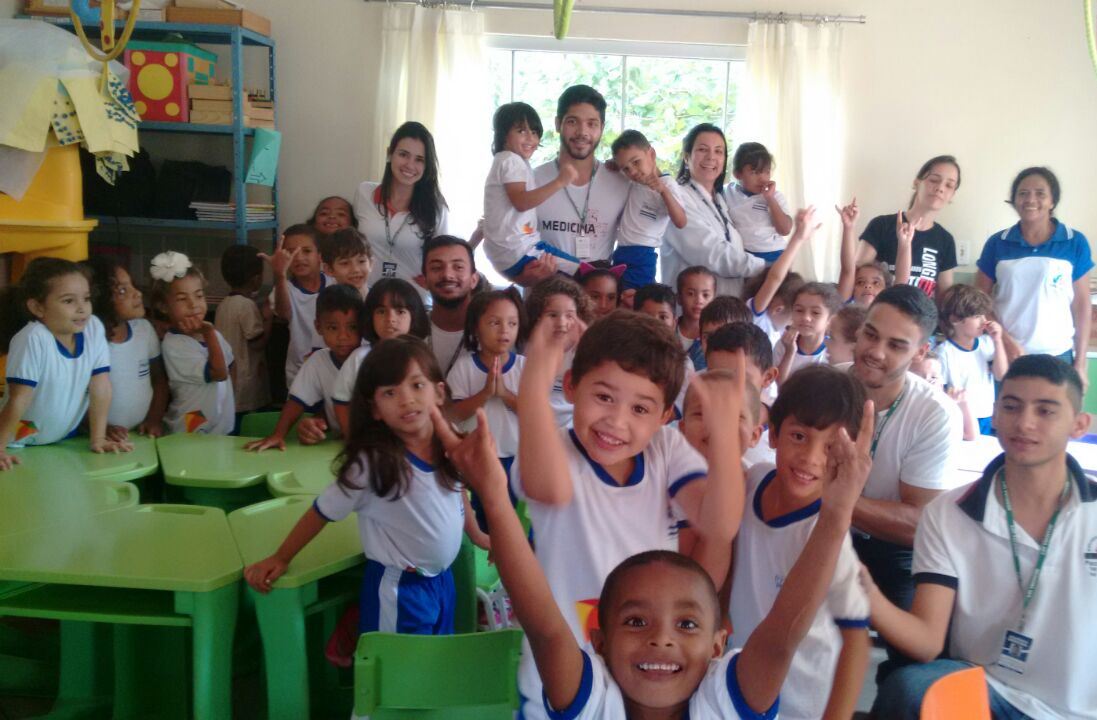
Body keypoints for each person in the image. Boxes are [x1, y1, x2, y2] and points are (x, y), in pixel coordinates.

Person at [439, 373, 874, 720]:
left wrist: (835, 516)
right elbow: (547, 628)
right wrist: (494, 498)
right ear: (599, 641)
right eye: (634, 621)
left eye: (687, 625)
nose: (661, 639)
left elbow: (781, 636)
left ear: (719, 645)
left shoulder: (723, 704)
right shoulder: (594, 704)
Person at [510, 309, 746, 720]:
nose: (616, 422)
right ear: (570, 386)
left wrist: (724, 435)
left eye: (640, 409)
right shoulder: (547, 448)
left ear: (664, 417)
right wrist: (534, 379)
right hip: (565, 671)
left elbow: (718, 524)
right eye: (603, 397)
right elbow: (552, 489)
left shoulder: (665, 451)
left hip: (645, 668)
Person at [869, 355, 1096, 720]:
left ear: (1078, 424)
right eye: (1011, 406)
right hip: (987, 693)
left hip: (1079, 708)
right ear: (994, 412)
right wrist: (862, 588)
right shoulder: (949, 513)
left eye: (1046, 411)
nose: (1024, 423)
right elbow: (927, 641)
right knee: (909, 687)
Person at [244, 337, 488, 636]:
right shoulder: (371, 464)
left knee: (430, 663)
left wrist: (475, 532)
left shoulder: (446, 439)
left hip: (441, 581)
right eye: (390, 392)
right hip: (400, 589)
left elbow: (456, 486)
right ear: (375, 409)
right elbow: (322, 511)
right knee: (396, 670)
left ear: (439, 392)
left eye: (416, 385)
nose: (406, 399)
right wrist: (281, 557)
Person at [729, 365, 871, 720]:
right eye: (799, 436)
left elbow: (855, 638)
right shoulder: (751, 482)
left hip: (802, 703)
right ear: (773, 435)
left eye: (830, 447)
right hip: (739, 687)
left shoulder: (828, 537)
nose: (811, 458)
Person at [840, 284, 962, 684]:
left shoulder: (935, 414)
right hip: (822, 530)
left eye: (896, 345)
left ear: (920, 353)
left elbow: (915, 526)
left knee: (917, 670)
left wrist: (834, 499)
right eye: (871, 334)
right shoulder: (824, 386)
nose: (876, 351)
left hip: (895, 552)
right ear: (859, 330)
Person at [0, 258, 130, 469]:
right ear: (37, 307)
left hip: (60, 442)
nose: (82, 309)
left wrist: (98, 439)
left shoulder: (93, 328)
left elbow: (101, 386)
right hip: (15, 443)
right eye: (69, 301)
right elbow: (18, 399)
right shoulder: (33, 338)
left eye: (86, 299)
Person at [975, 166, 1092, 389]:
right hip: (1008, 355)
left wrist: (1080, 363)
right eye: (1023, 193)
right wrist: (1006, 342)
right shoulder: (997, 243)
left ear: (1052, 201)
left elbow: (1082, 305)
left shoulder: (1074, 242)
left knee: (1054, 422)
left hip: (1058, 357)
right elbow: (979, 302)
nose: (1031, 199)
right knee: (1006, 421)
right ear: (1014, 200)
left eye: (1040, 193)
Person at [514, 85, 631, 286]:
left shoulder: (620, 182)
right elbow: (515, 246)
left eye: (592, 124)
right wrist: (526, 277)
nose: (582, 132)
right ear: (558, 124)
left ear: (602, 127)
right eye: (572, 122)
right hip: (544, 301)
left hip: (599, 303)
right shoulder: (533, 180)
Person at [245, 285, 363, 450]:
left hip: (372, 445)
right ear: (318, 327)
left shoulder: (368, 359)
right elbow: (296, 402)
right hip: (340, 447)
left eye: (353, 327)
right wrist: (278, 435)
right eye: (333, 328)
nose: (343, 336)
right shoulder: (318, 361)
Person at [447, 287, 527, 530]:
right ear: (475, 328)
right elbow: (453, 414)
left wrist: (503, 394)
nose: (505, 330)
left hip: (515, 456)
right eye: (495, 322)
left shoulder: (525, 366)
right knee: (482, 514)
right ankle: (485, 555)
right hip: (476, 456)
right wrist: (484, 394)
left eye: (512, 323)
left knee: (511, 515)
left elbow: (535, 415)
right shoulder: (464, 368)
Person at [662, 123, 765, 295]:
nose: (711, 157)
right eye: (703, 149)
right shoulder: (677, 197)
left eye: (718, 151)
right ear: (686, 157)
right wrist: (765, 267)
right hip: (693, 313)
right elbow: (713, 254)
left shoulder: (720, 200)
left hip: (727, 308)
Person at [482, 101, 580, 281]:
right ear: (504, 135)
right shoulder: (511, 161)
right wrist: (560, 181)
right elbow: (521, 202)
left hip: (505, 252)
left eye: (534, 132)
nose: (530, 138)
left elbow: (486, 221)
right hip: (521, 249)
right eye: (521, 131)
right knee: (584, 273)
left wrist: (470, 246)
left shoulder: (505, 161)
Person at [355, 122, 449, 298]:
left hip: (414, 304)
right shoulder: (364, 193)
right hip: (366, 298)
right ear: (390, 154)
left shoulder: (436, 206)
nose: (410, 165)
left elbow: (445, 255)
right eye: (404, 155)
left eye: (419, 159)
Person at [331, 278, 429, 440]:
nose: (390, 319)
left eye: (400, 311)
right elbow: (341, 402)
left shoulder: (421, 357)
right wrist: (352, 439)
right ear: (370, 316)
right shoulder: (359, 358)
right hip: (369, 442)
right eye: (381, 311)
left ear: (414, 316)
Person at [152, 252, 236, 436]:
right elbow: (219, 373)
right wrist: (209, 333)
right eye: (182, 299)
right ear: (163, 306)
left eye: (199, 296)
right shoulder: (174, 345)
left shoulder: (212, 334)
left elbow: (230, 365)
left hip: (220, 428)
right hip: (190, 427)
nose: (193, 304)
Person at [855, 155, 961, 300]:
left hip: (922, 319)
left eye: (949, 185)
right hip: (880, 315)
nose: (940, 188)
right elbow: (856, 274)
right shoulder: (881, 225)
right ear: (917, 183)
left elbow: (944, 298)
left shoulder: (945, 240)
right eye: (934, 180)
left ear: (952, 195)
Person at [85, 255, 168, 439]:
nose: (137, 293)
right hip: (97, 438)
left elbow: (159, 380)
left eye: (132, 285)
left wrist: (154, 419)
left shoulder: (144, 330)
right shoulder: (89, 341)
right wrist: (100, 427)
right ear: (100, 299)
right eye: (122, 290)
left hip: (141, 435)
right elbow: (75, 397)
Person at [609, 129, 687, 290]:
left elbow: (681, 221)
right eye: (626, 168)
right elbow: (615, 165)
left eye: (636, 162)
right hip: (621, 250)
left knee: (636, 301)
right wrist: (613, 165)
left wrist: (663, 191)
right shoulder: (634, 181)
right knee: (620, 298)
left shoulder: (667, 184)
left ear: (651, 154)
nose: (633, 172)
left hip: (643, 254)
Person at [936, 284, 1008, 439]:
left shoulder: (987, 343)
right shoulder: (944, 352)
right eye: (977, 316)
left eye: (984, 315)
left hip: (987, 415)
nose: (984, 321)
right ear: (955, 319)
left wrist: (998, 341)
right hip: (961, 418)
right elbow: (938, 391)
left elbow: (1001, 375)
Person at [263, 224, 330, 386]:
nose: (299, 258)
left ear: (320, 255)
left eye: (306, 251)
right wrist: (279, 275)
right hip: (300, 374)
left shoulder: (335, 283)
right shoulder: (284, 289)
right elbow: (284, 313)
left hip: (333, 370)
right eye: (291, 253)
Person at [704, 322, 779, 467]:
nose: (726, 389)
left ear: (768, 377)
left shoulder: (784, 439)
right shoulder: (695, 427)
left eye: (740, 378)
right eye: (716, 377)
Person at [741, 206, 816, 347]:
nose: (793, 322)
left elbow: (784, 275)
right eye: (793, 316)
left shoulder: (779, 331)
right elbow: (775, 278)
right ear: (778, 309)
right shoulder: (757, 319)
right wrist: (798, 238)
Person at [525, 274, 591, 428]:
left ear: (580, 315)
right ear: (537, 317)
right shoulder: (530, 347)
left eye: (569, 315)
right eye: (552, 315)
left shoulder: (584, 348)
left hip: (573, 425)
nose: (561, 323)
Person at [215, 244, 270, 420]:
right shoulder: (246, 305)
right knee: (248, 423)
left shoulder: (224, 304)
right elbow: (257, 342)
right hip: (246, 385)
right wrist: (268, 319)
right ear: (256, 279)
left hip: (230, 381)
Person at [418, 235, 479, 375]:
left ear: (474, 279)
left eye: (458, 267)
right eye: (436, 267)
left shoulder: (495, 332)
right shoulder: (411, 331)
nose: (447, 275)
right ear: (424, 280)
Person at [725, 142, 793, 263]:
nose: (762, 178)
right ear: (737, 174)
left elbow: (785, 230)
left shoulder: (775, 196)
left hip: (774, 254)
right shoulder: (728, 192)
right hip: (744, 256)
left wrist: (770, 199)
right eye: (755, 172)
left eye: (766, 172)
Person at [774, 282, 843, 386]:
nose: (806, 317)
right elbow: (778, 387)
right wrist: (789, 352)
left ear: (830, 319)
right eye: (799, 310)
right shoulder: (783, 344)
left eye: (815, 313)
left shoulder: (833, 351)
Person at [836, 196, 894, 307]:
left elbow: (902, 280)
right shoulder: (847, 305)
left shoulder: (888, 313)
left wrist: (905, 244)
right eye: (860, 282)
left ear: (887, 289)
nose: (868, 286)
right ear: (852, 288)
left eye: (876, 282)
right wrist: (849, 227)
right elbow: (848, 270)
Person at [676, 266, 717, 371]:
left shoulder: (717, 338)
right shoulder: (667, 331)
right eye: (691, 294)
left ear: (714, 299)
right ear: (679, 298)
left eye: (705, 295)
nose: (699, 300)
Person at [320, 227, 372, 298]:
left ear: (371, 263)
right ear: (329, 269)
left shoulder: (377, 300)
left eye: (361, 261)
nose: (355, 269)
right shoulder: (327, 301)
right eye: (345, 263)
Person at [697, 296, 751, 362]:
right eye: (709, 337)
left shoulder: (755, 372)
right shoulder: (698, 372)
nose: (715, 345)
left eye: (725, 337)